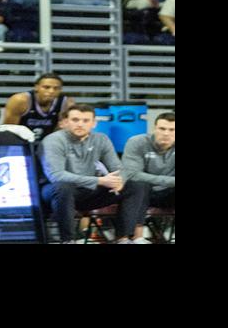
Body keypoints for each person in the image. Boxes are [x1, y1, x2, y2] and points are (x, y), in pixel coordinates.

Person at [41, 104, 137, 243]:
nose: (80, 124)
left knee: (134, 185)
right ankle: (68, 240)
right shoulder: (54, 140)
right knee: (63, 187)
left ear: (94, 123)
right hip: (54, 192)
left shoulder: (101, 139)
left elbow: (117, 168)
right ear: (66, 122)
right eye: (75, 120)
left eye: (85, 120)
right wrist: (99, 181)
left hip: (88, 191)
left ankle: (123, 238)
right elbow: (56, 175)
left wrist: (120, 180)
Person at [118, 111, 174, 243]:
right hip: (140, 193)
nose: (166, 133)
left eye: (172, 130)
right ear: (154, 129)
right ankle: (136, 237)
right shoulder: (137, 142)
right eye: (162, 128)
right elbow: (132, 174)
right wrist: (170, 181)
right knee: (139, 184)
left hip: (167, 193)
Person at [3, 73, 73, 140]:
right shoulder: (21, 100)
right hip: (20, 142)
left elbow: (61, 132)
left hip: (48, 143)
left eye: (56, 88)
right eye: (46, 87)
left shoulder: (66, 103)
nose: (51, 91)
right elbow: (9, 130)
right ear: (36, 87)